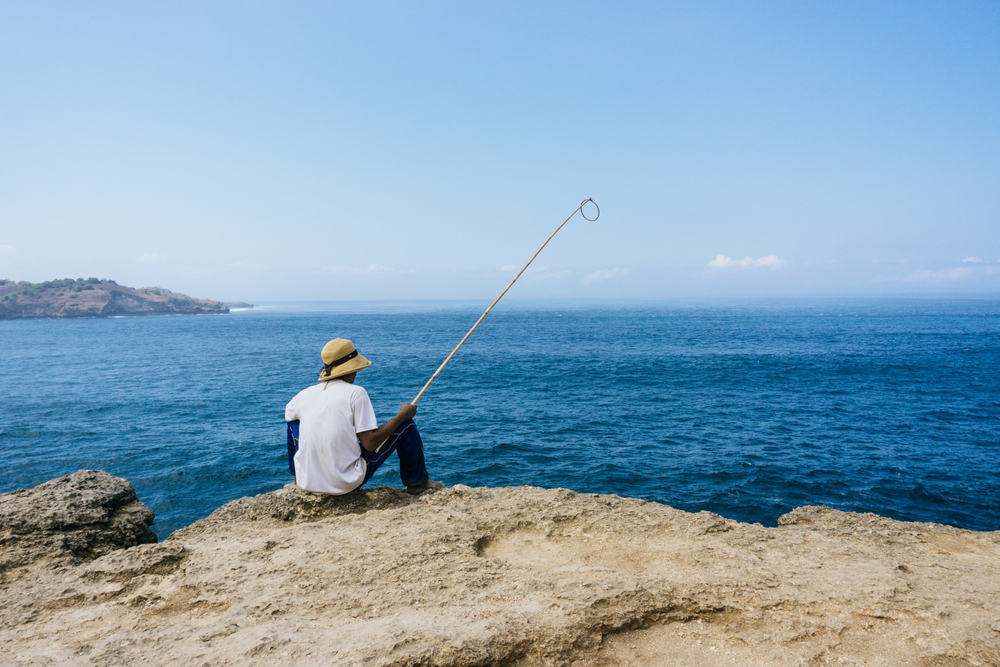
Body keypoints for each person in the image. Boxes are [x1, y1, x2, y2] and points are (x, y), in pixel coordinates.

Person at [284, 338, 444, 495]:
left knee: (293, 423)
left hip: (309, 483)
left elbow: (290, 418)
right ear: (351, 369)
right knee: (407, 426)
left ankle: (297, 479)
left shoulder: (303, 395)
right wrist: (401, 416)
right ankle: (417, 482)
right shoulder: (356, 393)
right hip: (344, 482)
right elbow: (369, 443)